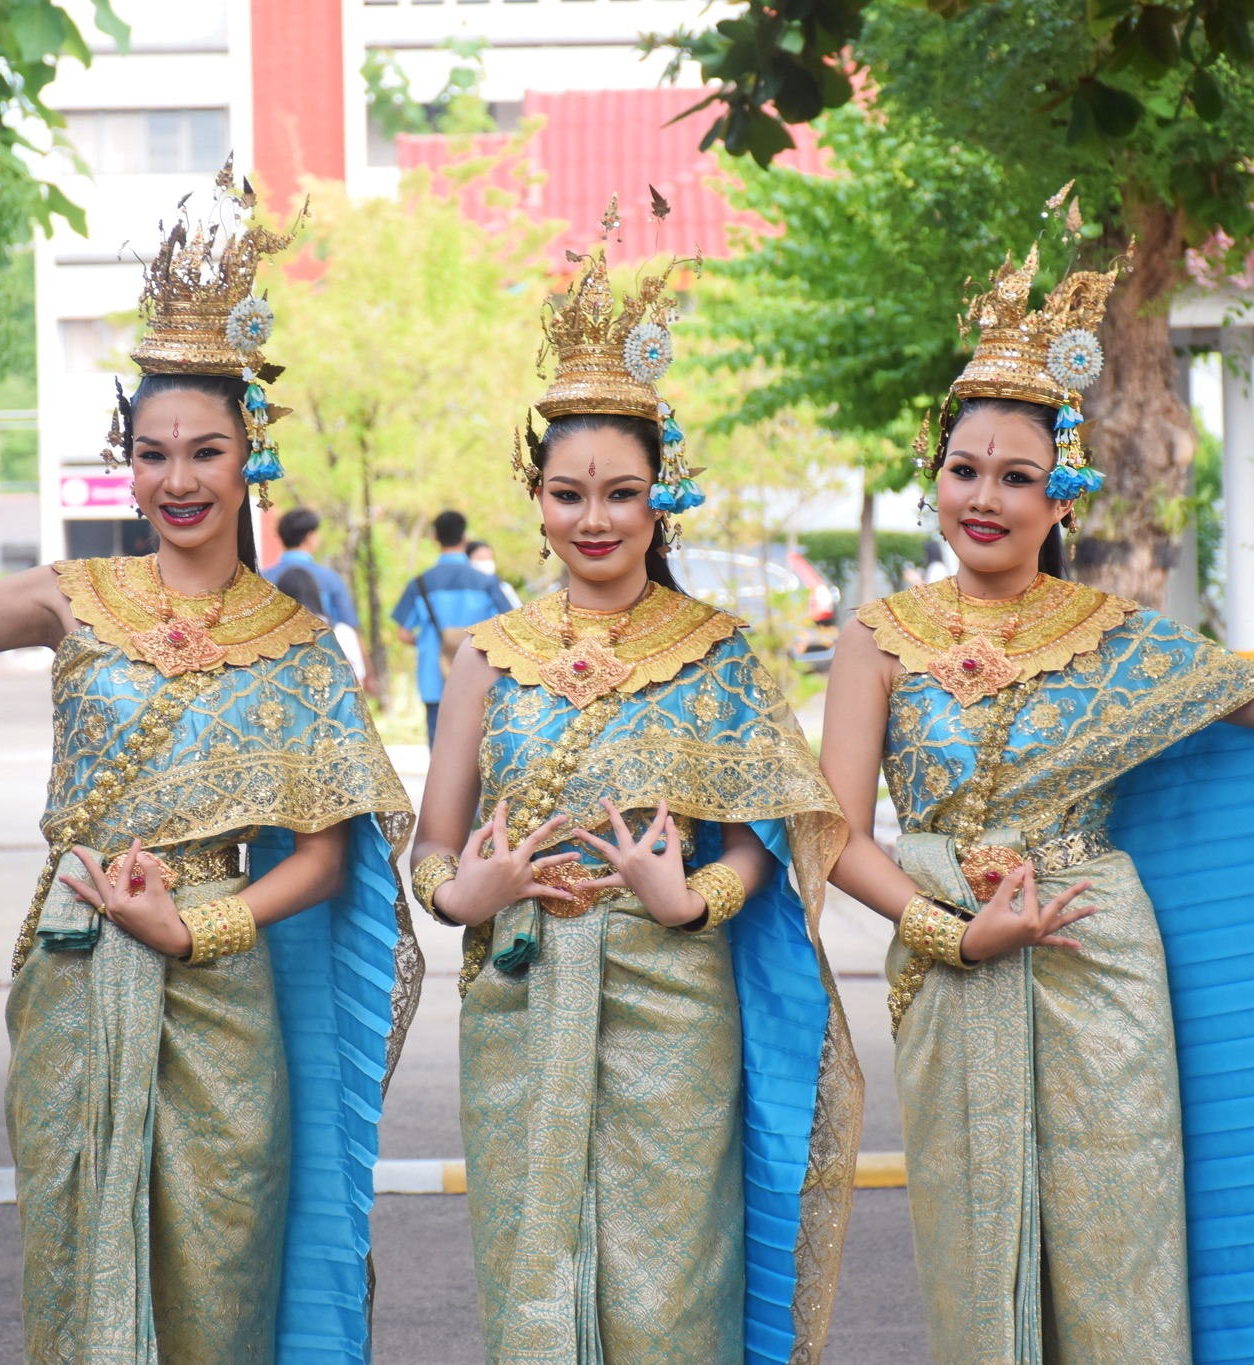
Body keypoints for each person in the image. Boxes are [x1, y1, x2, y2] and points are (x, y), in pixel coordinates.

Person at [0, 167, 420, 1364]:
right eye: (152, 452)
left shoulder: (301, 645)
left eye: (204, 452)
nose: (177, 480)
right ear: (125, 460)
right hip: (74, 969)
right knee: (79, 1288)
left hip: (222, 996)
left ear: (246, 458)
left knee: (218, 1295)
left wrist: (197, 927)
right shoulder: (71, 600)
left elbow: (329, 857)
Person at [817, 224, 1254, 1363]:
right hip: (954, 966)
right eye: (963, 469)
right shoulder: (876, 637)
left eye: (1016, 477)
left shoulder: (1113, 634)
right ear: (934, 474)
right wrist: (955, 932)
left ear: (1059, 496)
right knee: (980, 1273)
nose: (984, 497)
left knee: (1119, 1255)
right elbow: (828, 832)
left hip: (1096, 957)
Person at [407, 208, 863, 1364]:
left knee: (668, 1291)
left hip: (674, 999)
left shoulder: (714, 651)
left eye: (619, 493)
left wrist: (689, 900)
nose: (593, 518)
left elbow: (768, 829)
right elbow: (428, 849)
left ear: (663, 495)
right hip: (520, 998)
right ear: (536, 496)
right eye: (567, 493)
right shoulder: (486, 655)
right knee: (533, 1282)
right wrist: (468, 892)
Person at [392, 509, 505, 745]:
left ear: (435, 536)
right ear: (465, 537)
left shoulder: (420, 584)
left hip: (434, 679)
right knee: (478, 747)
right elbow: (506, 628)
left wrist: (426, 642)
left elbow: (403, 634)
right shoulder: (486, 583)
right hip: (478, 679)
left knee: (439, 746)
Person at [467, 538, 522, 611]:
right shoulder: (466, 593)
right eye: (480, 558)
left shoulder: (504, 587)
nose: (486, 562)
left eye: (489, 558)